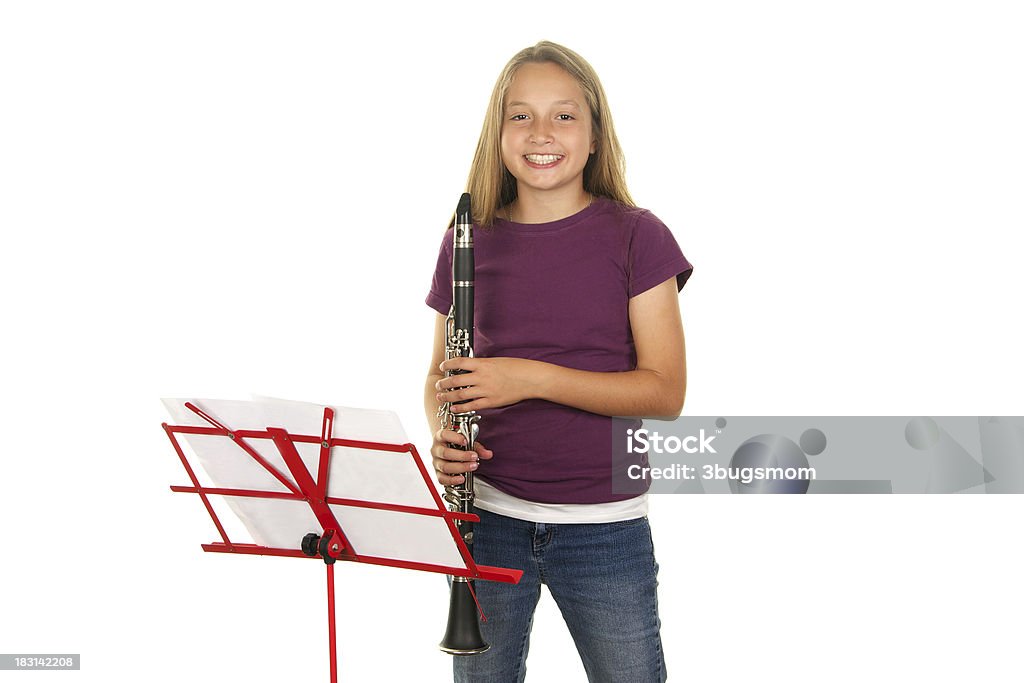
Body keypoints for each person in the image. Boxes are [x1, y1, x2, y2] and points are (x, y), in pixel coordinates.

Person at [424, 40, 692, 683]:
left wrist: (532, 378)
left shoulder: (637, 235)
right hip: (486, 517)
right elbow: (442, 374)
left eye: (564, 115)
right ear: (499, 131)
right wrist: (442, 427)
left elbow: (664, 392)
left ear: (595, 135)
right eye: (521, 115)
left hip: (603, 529)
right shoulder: (469, 234)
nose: (541, 133)